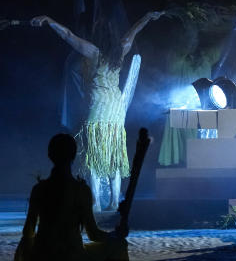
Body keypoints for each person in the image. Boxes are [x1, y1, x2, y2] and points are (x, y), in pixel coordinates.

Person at [31, 11, 166, 211]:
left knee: (94, 151)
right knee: (113, 152)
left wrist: (49, 20)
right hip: (116, 107)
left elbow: (67, 35)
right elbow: (133, 32)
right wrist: (146, 17)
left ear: (97, 35)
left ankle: (95, 201)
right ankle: (113, 201)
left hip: (99, 106)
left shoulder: (93, 52)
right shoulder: (120, 50)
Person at [16, 133, 128, 261]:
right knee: (120, 243)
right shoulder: (82, 190)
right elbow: (93, 234)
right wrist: (115, 235)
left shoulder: (39, 189)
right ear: (73, 156)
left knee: (26, 242)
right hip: (72, 256)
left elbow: (28, 231)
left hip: (43, 255)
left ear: (50, 155)